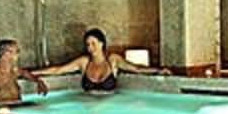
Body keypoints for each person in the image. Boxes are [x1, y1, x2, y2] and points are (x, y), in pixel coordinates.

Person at [31, 28, 168, 94]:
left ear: (102, 43)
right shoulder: (84, 62)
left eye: (93, 43)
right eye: (88, 44)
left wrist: (158, 70)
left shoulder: (113, 60)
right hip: (87, 104)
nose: (90, 48)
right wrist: (32, 73)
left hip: (110, 105)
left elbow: (137, 68)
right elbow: (58, 70)